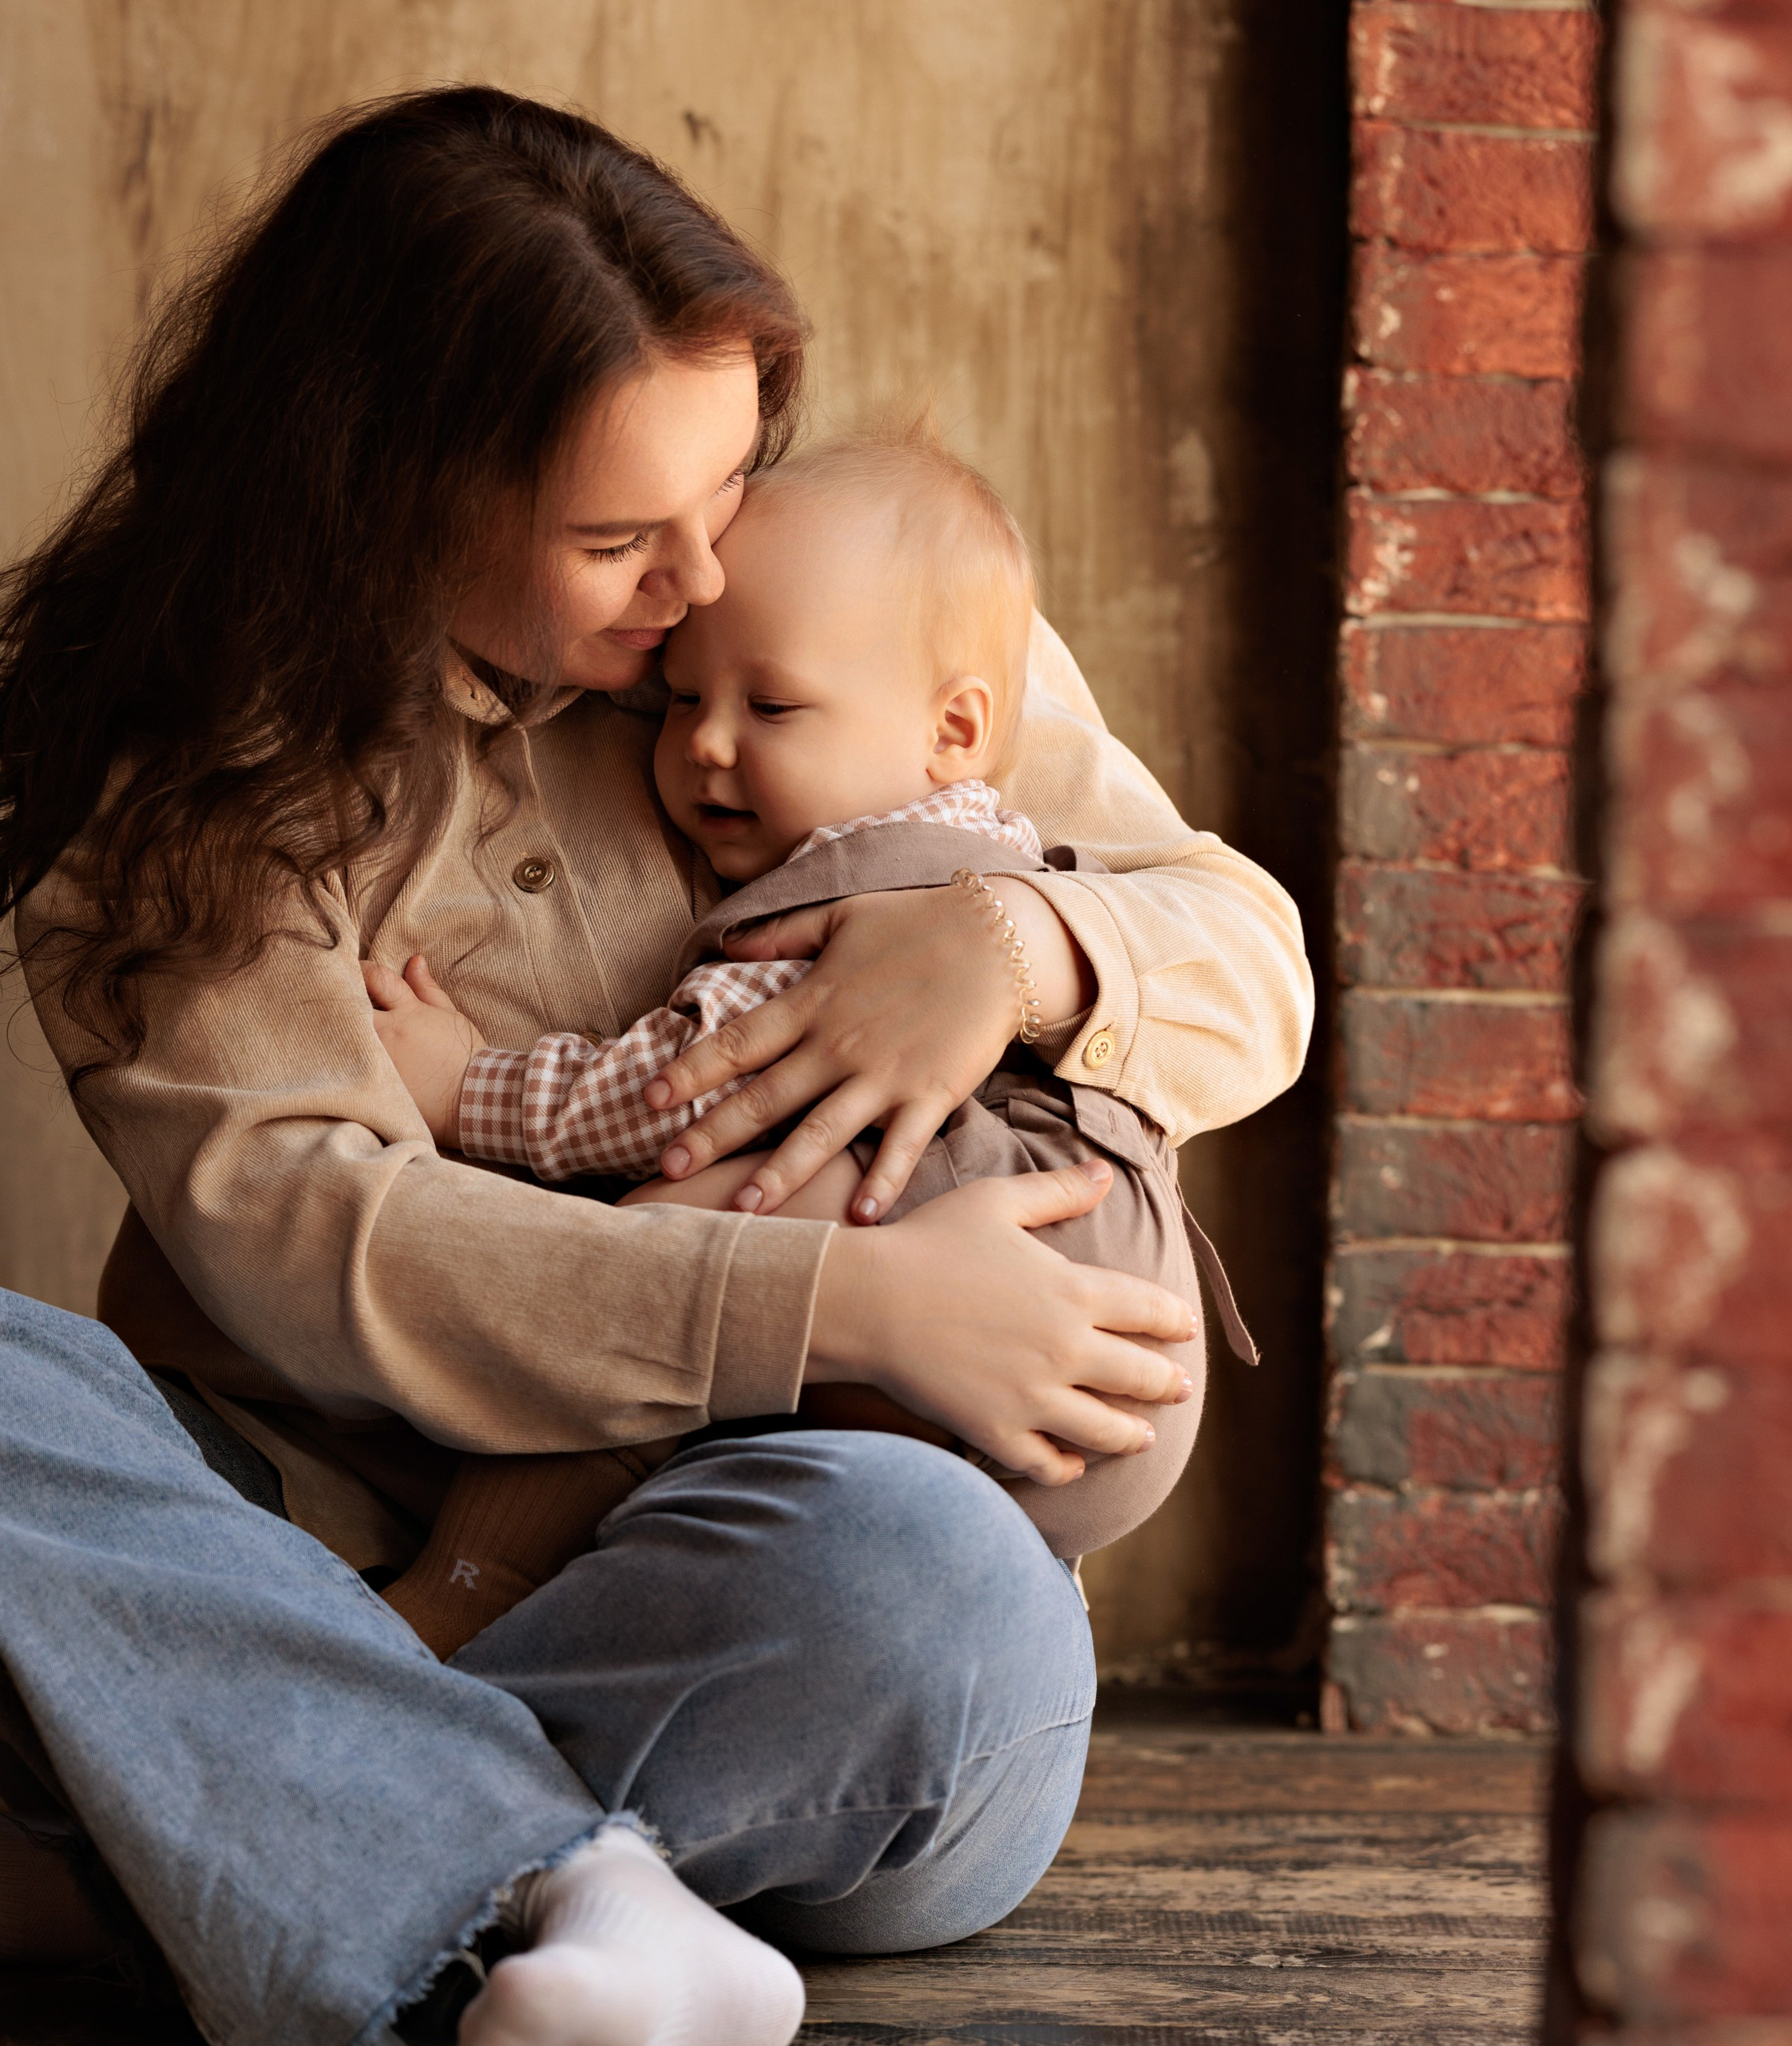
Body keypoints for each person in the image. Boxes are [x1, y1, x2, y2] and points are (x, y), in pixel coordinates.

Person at [0, 87, 1311, 2046]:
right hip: (326, 1538)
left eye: (727, 482)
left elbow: (1248, 951)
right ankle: (562, 1890)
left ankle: (114, 1867)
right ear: (389, 496)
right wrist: (827, 1311)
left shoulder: (826, 591)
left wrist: (1013, 948)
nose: (700, 583)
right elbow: (322, 1243)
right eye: (611, 542)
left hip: (754, 1616)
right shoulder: (193, 772)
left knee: (932, 1584)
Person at [363, 424, 1257, 1652]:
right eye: (680, 699)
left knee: (666, 1245)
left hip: (1052, 1283)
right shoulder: (974, 812)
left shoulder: (850, 904)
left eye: (769, 705)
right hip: (1120, 1337)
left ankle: (468, 1587)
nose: (707, 744)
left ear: (955, 729)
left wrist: (469, 1090)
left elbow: (679, 1093)